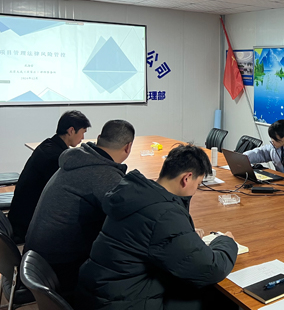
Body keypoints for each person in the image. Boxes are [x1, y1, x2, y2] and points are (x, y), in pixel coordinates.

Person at [77, 144, 238, 310]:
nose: (195, 190)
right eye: (198, 184)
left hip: (100, 292)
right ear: (187, 178)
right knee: (219, 299)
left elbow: (152, 237)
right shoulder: (164, 215)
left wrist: (185, 237)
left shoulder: (137, 194)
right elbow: (211, 268)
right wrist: (225, 242)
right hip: (123, 302)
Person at [24, 119, 134, 298]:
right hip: (58, 267)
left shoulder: (77, 160)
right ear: (128, 147)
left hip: (37, 260)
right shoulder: (105, 175)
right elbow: (130, 218)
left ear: (99, 138)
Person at [9, 110, 91, 243]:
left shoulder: (49, 144)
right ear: (71, 131)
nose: (82, 138)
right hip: (28, 223)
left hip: (20, 214)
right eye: (82, 132)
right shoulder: (56, 157)